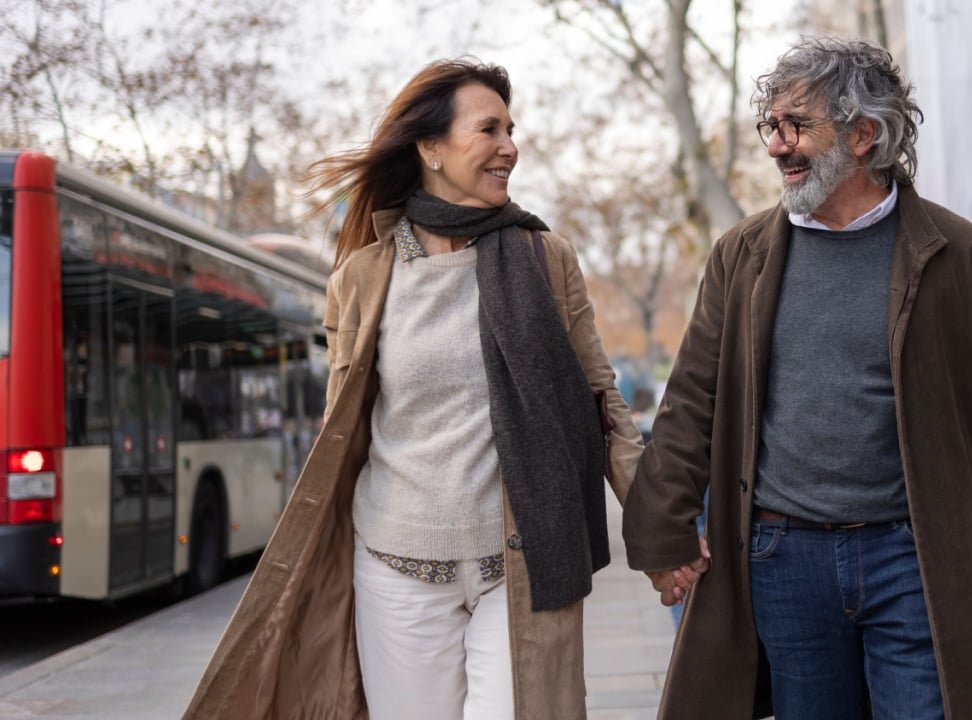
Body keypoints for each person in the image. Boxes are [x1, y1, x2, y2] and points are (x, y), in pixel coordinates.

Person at [183, 58, 652, 720]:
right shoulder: (362, 276)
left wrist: (663, 531)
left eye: (512, 130)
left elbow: (601, 399)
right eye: (489, 129)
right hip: (394, 568)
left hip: (518, 563)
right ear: (431, 148)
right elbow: (340, 427)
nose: (509, 147)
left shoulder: (545, 258)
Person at [622, 37, 972, 720]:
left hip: (916, 555)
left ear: (863, 134)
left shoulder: (959, 253)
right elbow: (692, 399)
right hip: (782, 558)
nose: (776, 146)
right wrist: (661, 530)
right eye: (770, 125)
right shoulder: (743, 255)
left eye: (796, 126)